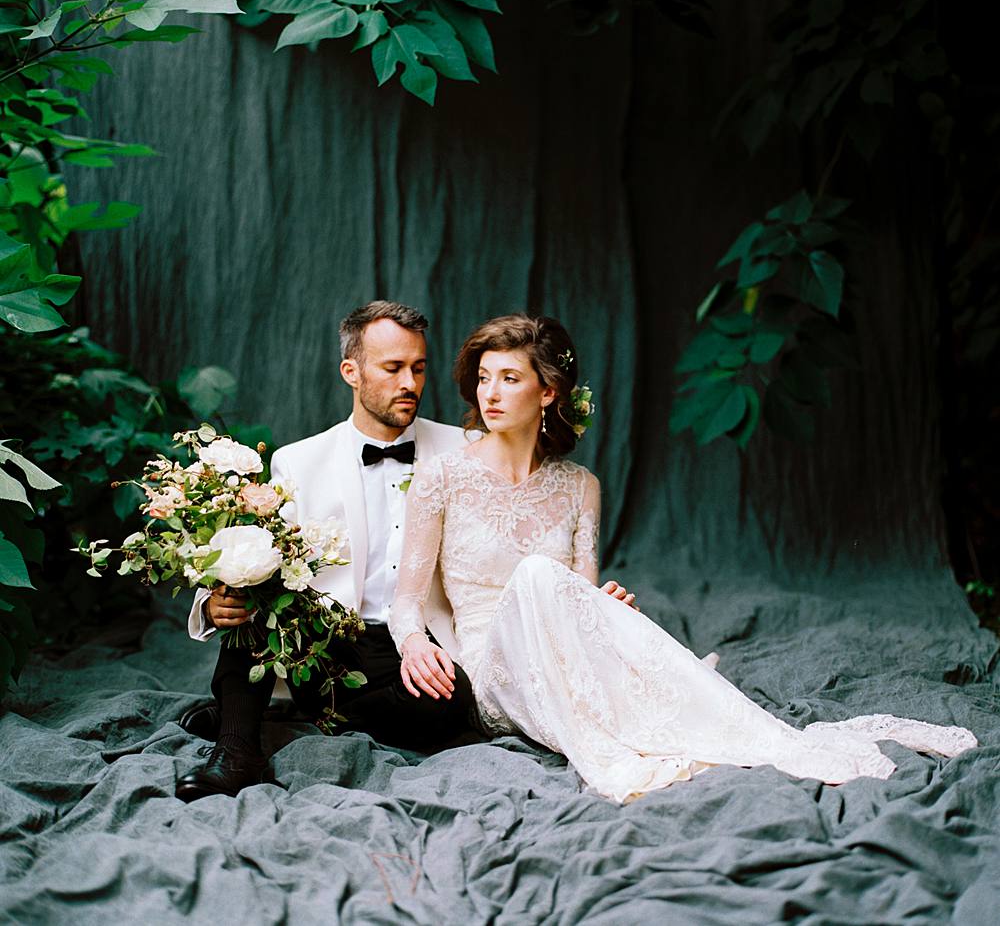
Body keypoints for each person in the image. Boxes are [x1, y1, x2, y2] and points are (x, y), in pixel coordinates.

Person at [388, 314, 978, 804]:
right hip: (496, 672)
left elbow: (580, 594)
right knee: (537, 575)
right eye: (484, 377)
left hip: (564, 657)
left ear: (547, 393)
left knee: (574, 596)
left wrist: (602, 606)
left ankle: (763, 737)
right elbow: (407, 602)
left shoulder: (580, 486)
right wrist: (415, 643)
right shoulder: (443, 478)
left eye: (508, 378)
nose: (489, 393)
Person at [175, 301, 480, 802]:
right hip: (324, 643)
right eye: (393, 368)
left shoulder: (464, 450)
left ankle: (278, 710)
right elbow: (256, 554)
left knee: (448, 705)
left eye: (419, 368)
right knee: (257, 589)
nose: (411, 383)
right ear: (351, 372)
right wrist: (212, 603)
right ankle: (236, 748)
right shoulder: (299, 461)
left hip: (416, 644)